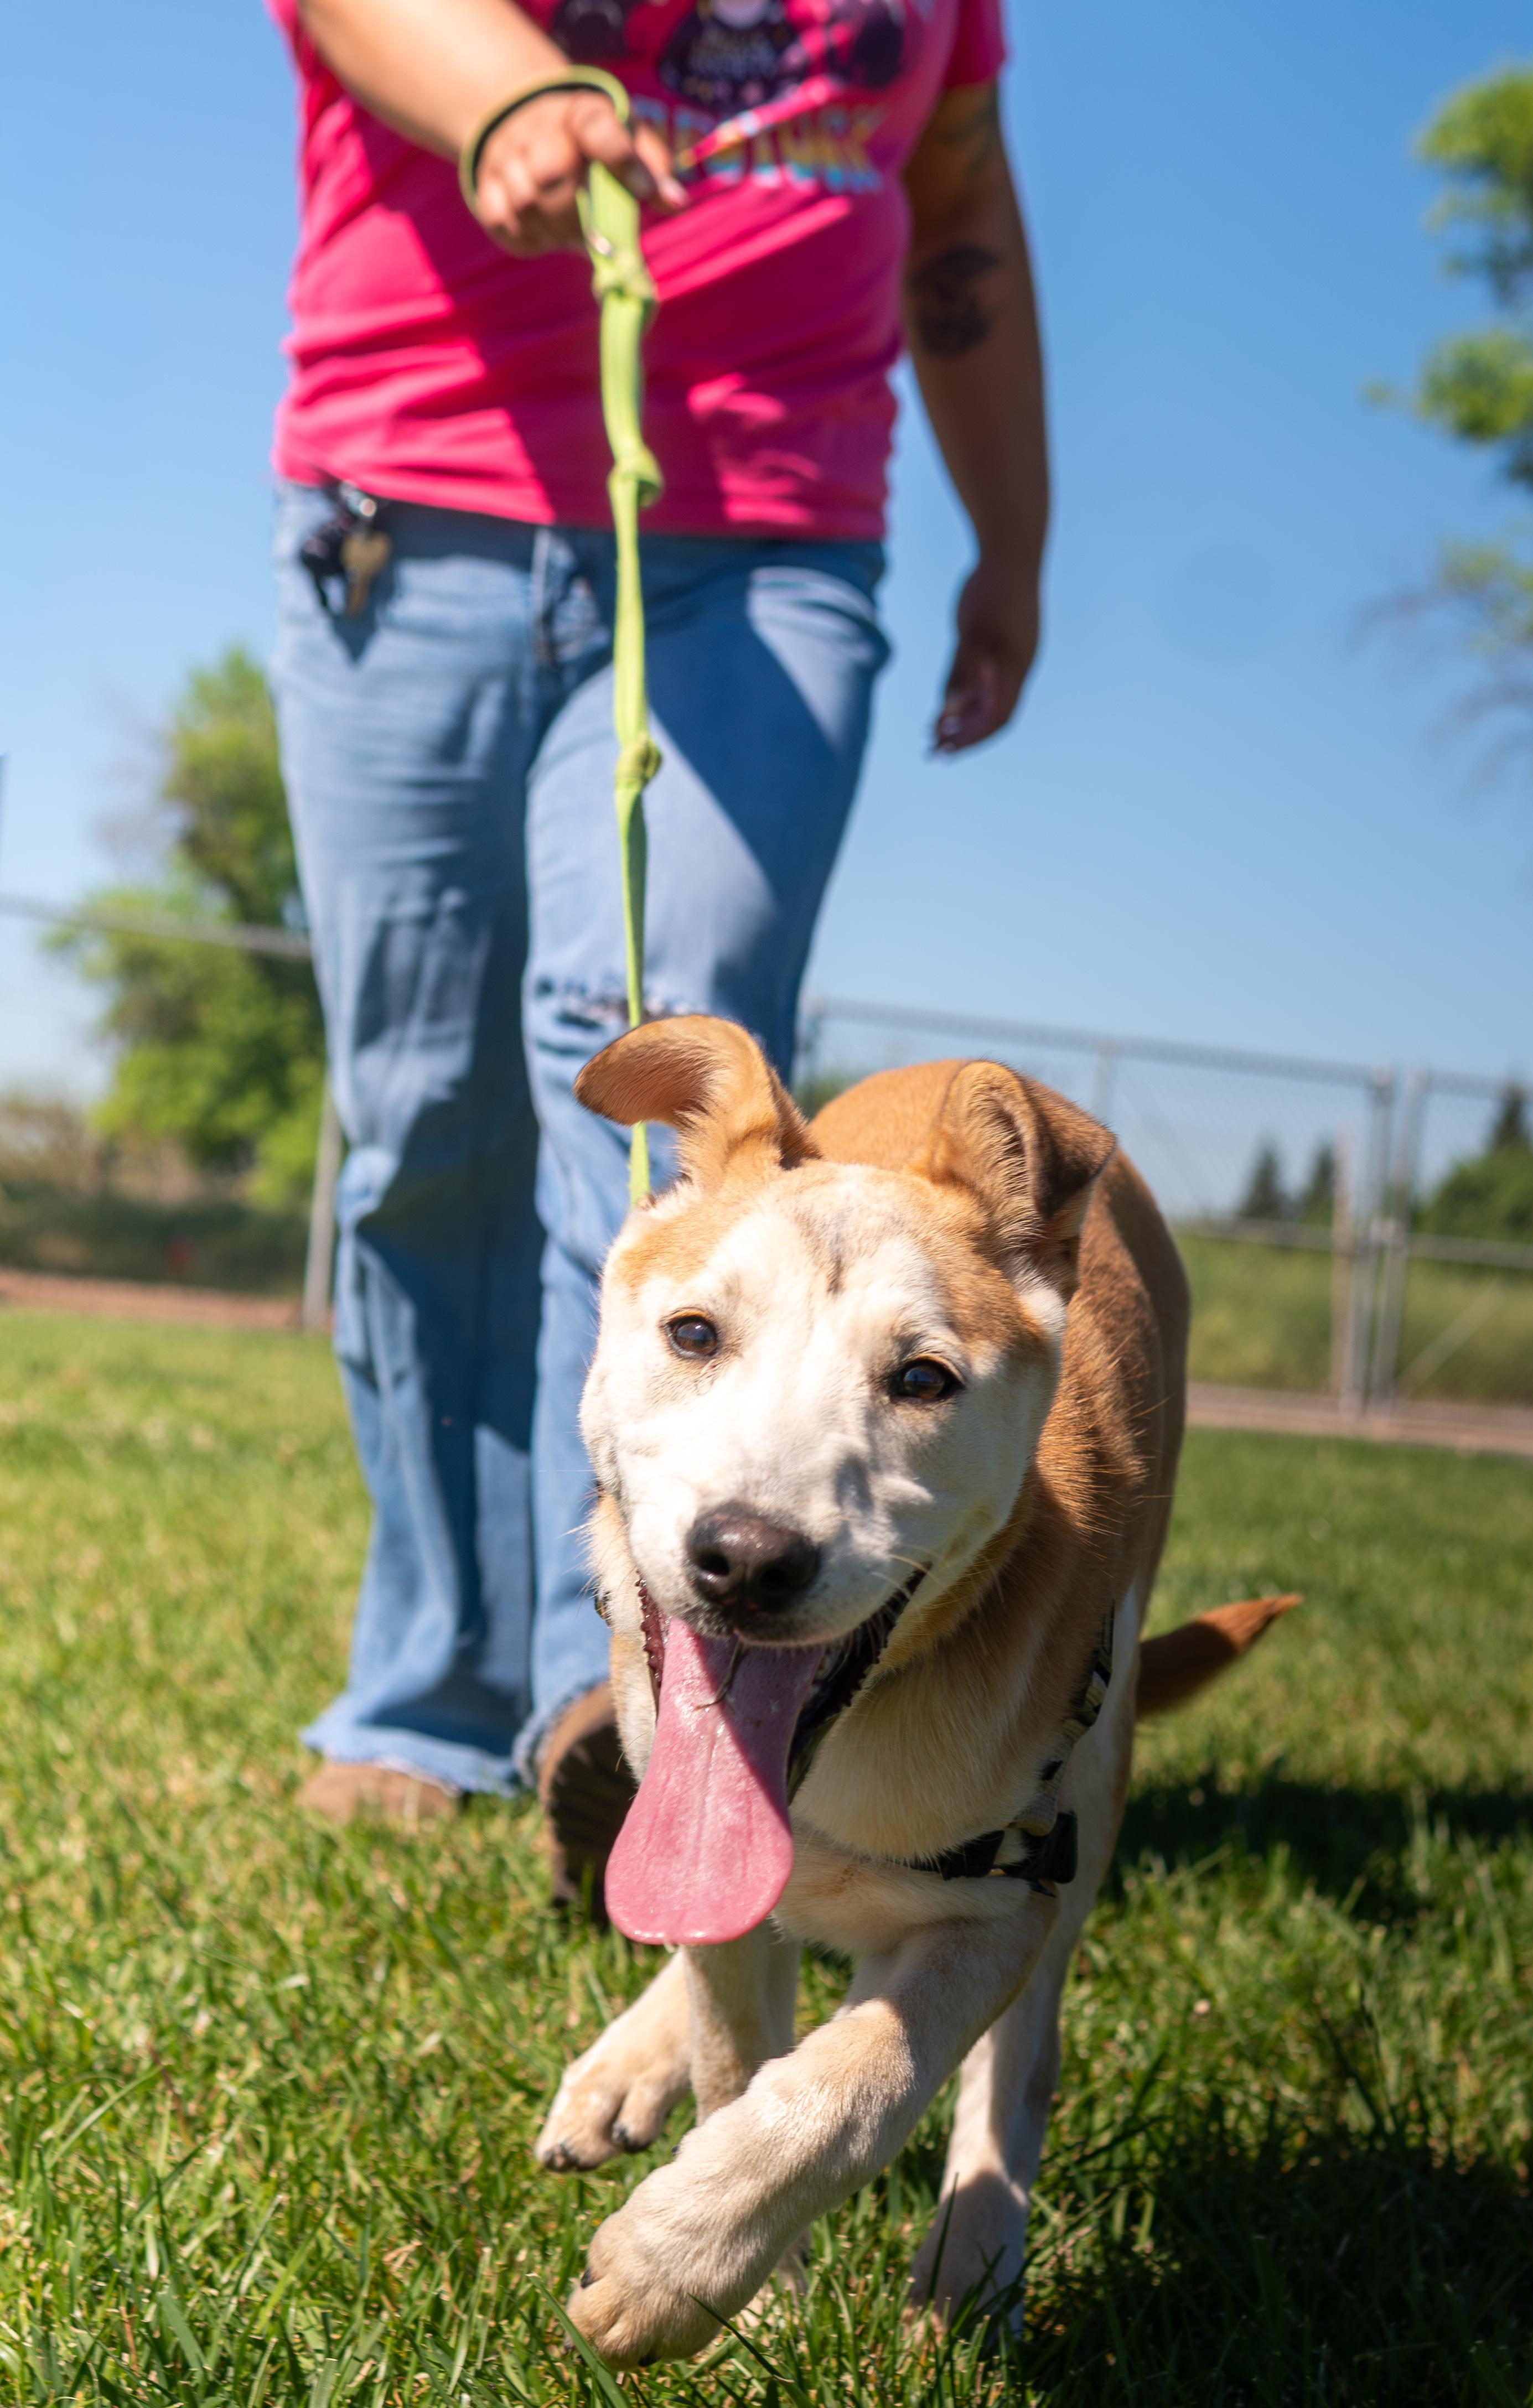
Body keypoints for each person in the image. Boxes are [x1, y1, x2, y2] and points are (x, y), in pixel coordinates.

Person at [267, 0, 1048, 1902]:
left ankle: (608, 1683)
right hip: (417, 502)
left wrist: (1011, 540)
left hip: (772, 543)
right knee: (419, 1114)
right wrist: (513, 89)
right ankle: (426, 1682)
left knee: (642, 1072)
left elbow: (953, 204)